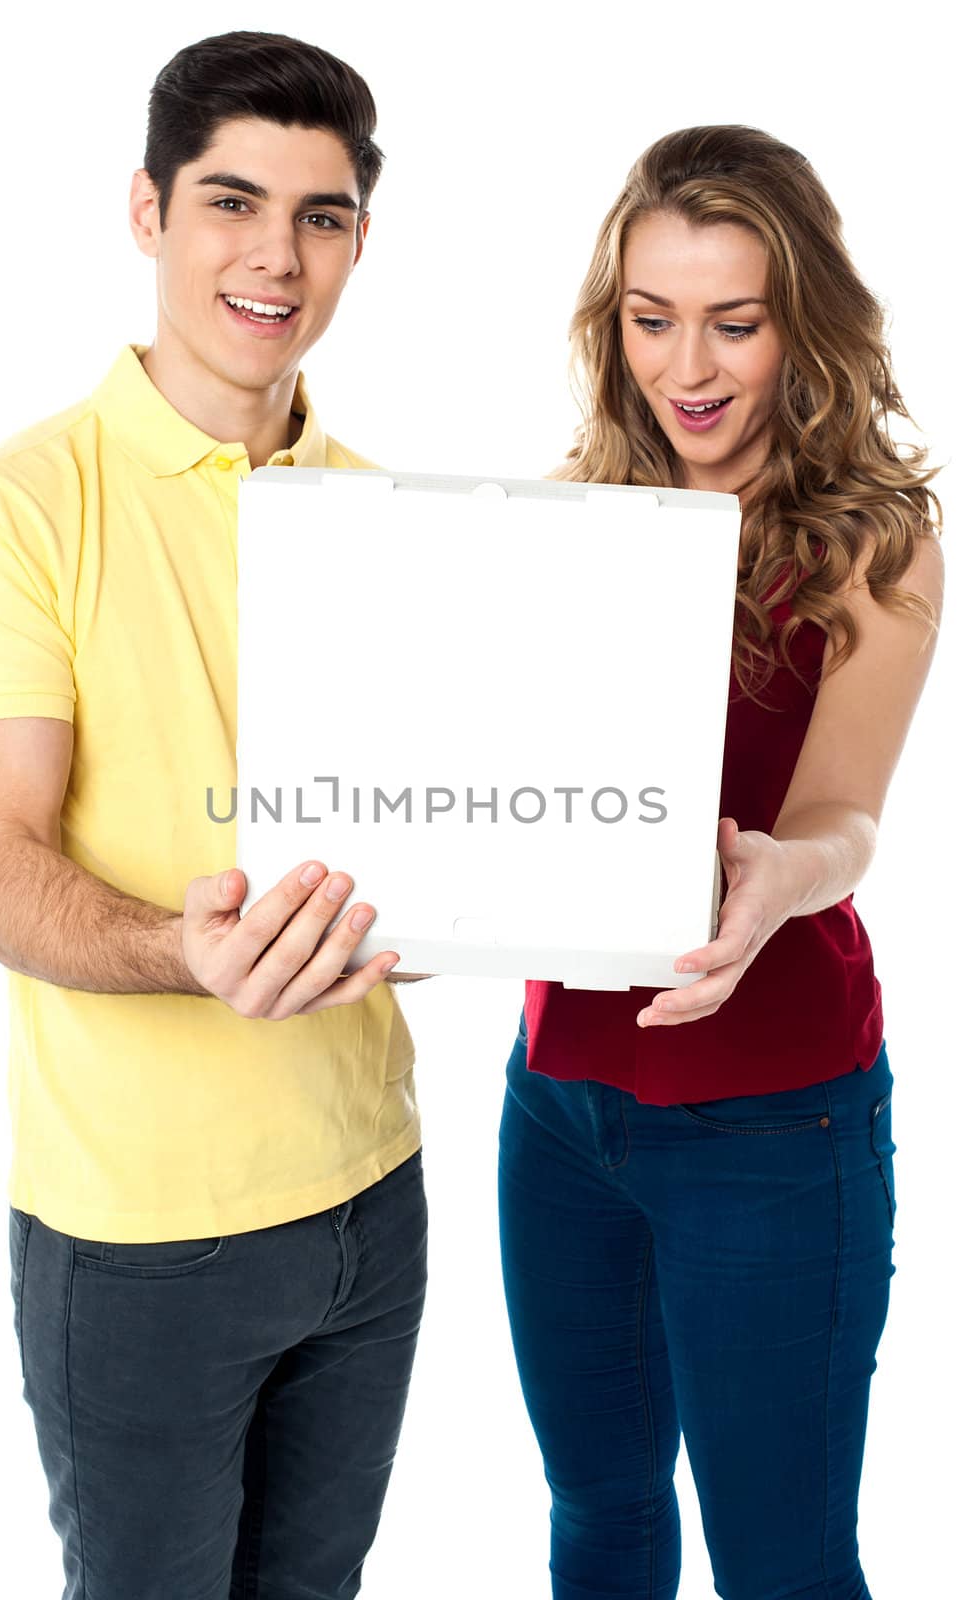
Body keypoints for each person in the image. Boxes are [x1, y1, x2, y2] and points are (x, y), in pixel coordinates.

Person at [0, 31, 428, 1600]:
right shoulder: (9, 506)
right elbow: (0, 875)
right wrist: (186, 950)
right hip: (141, 1238)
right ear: (147, 212)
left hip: (371, 1193)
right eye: (229, 201)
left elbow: (430, 825)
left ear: (355, 241)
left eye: (319, 216)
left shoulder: (388, 512)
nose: (274, 255)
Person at [497, 125, 943, 1600]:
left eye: (732, 323)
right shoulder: (567, 515)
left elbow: (842, 817)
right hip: (558, 1101)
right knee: (599, 1518)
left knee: (783, 1560)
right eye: (649, 318)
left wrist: (775, 881)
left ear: (798, 323)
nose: (685, 366)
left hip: (772, 1123)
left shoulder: (876, 540)